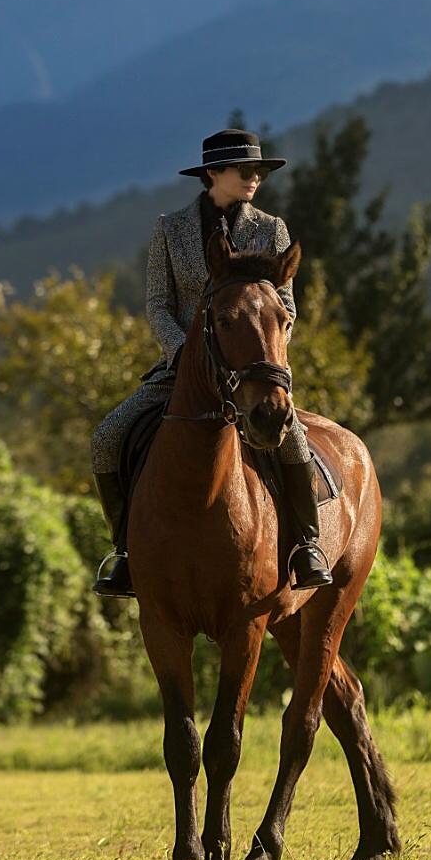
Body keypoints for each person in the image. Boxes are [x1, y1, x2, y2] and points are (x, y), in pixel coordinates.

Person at [89, 128, 333, 598]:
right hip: (182, 369)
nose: (255, 178)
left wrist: (265, 356)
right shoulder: (170, 229)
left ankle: (307, 546)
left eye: (259, 171)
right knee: (106, 438)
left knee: (292, 441)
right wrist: (182, 351)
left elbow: (286, 306)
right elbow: (158, 304)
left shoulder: (272, 229)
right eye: (246, 170)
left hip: (252, 369)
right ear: (213, 174)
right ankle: (125, 552)